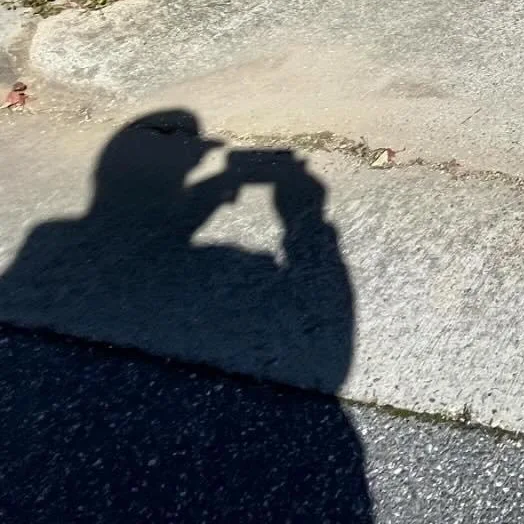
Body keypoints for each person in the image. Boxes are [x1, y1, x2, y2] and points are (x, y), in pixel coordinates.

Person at [0, 110, 372, 521]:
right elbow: (328, 325)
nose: (196, 163)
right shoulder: (56, 240)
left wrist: (219, 188)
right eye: (193, 158)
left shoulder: (49, 242)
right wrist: (307, 218)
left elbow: (135, 239)